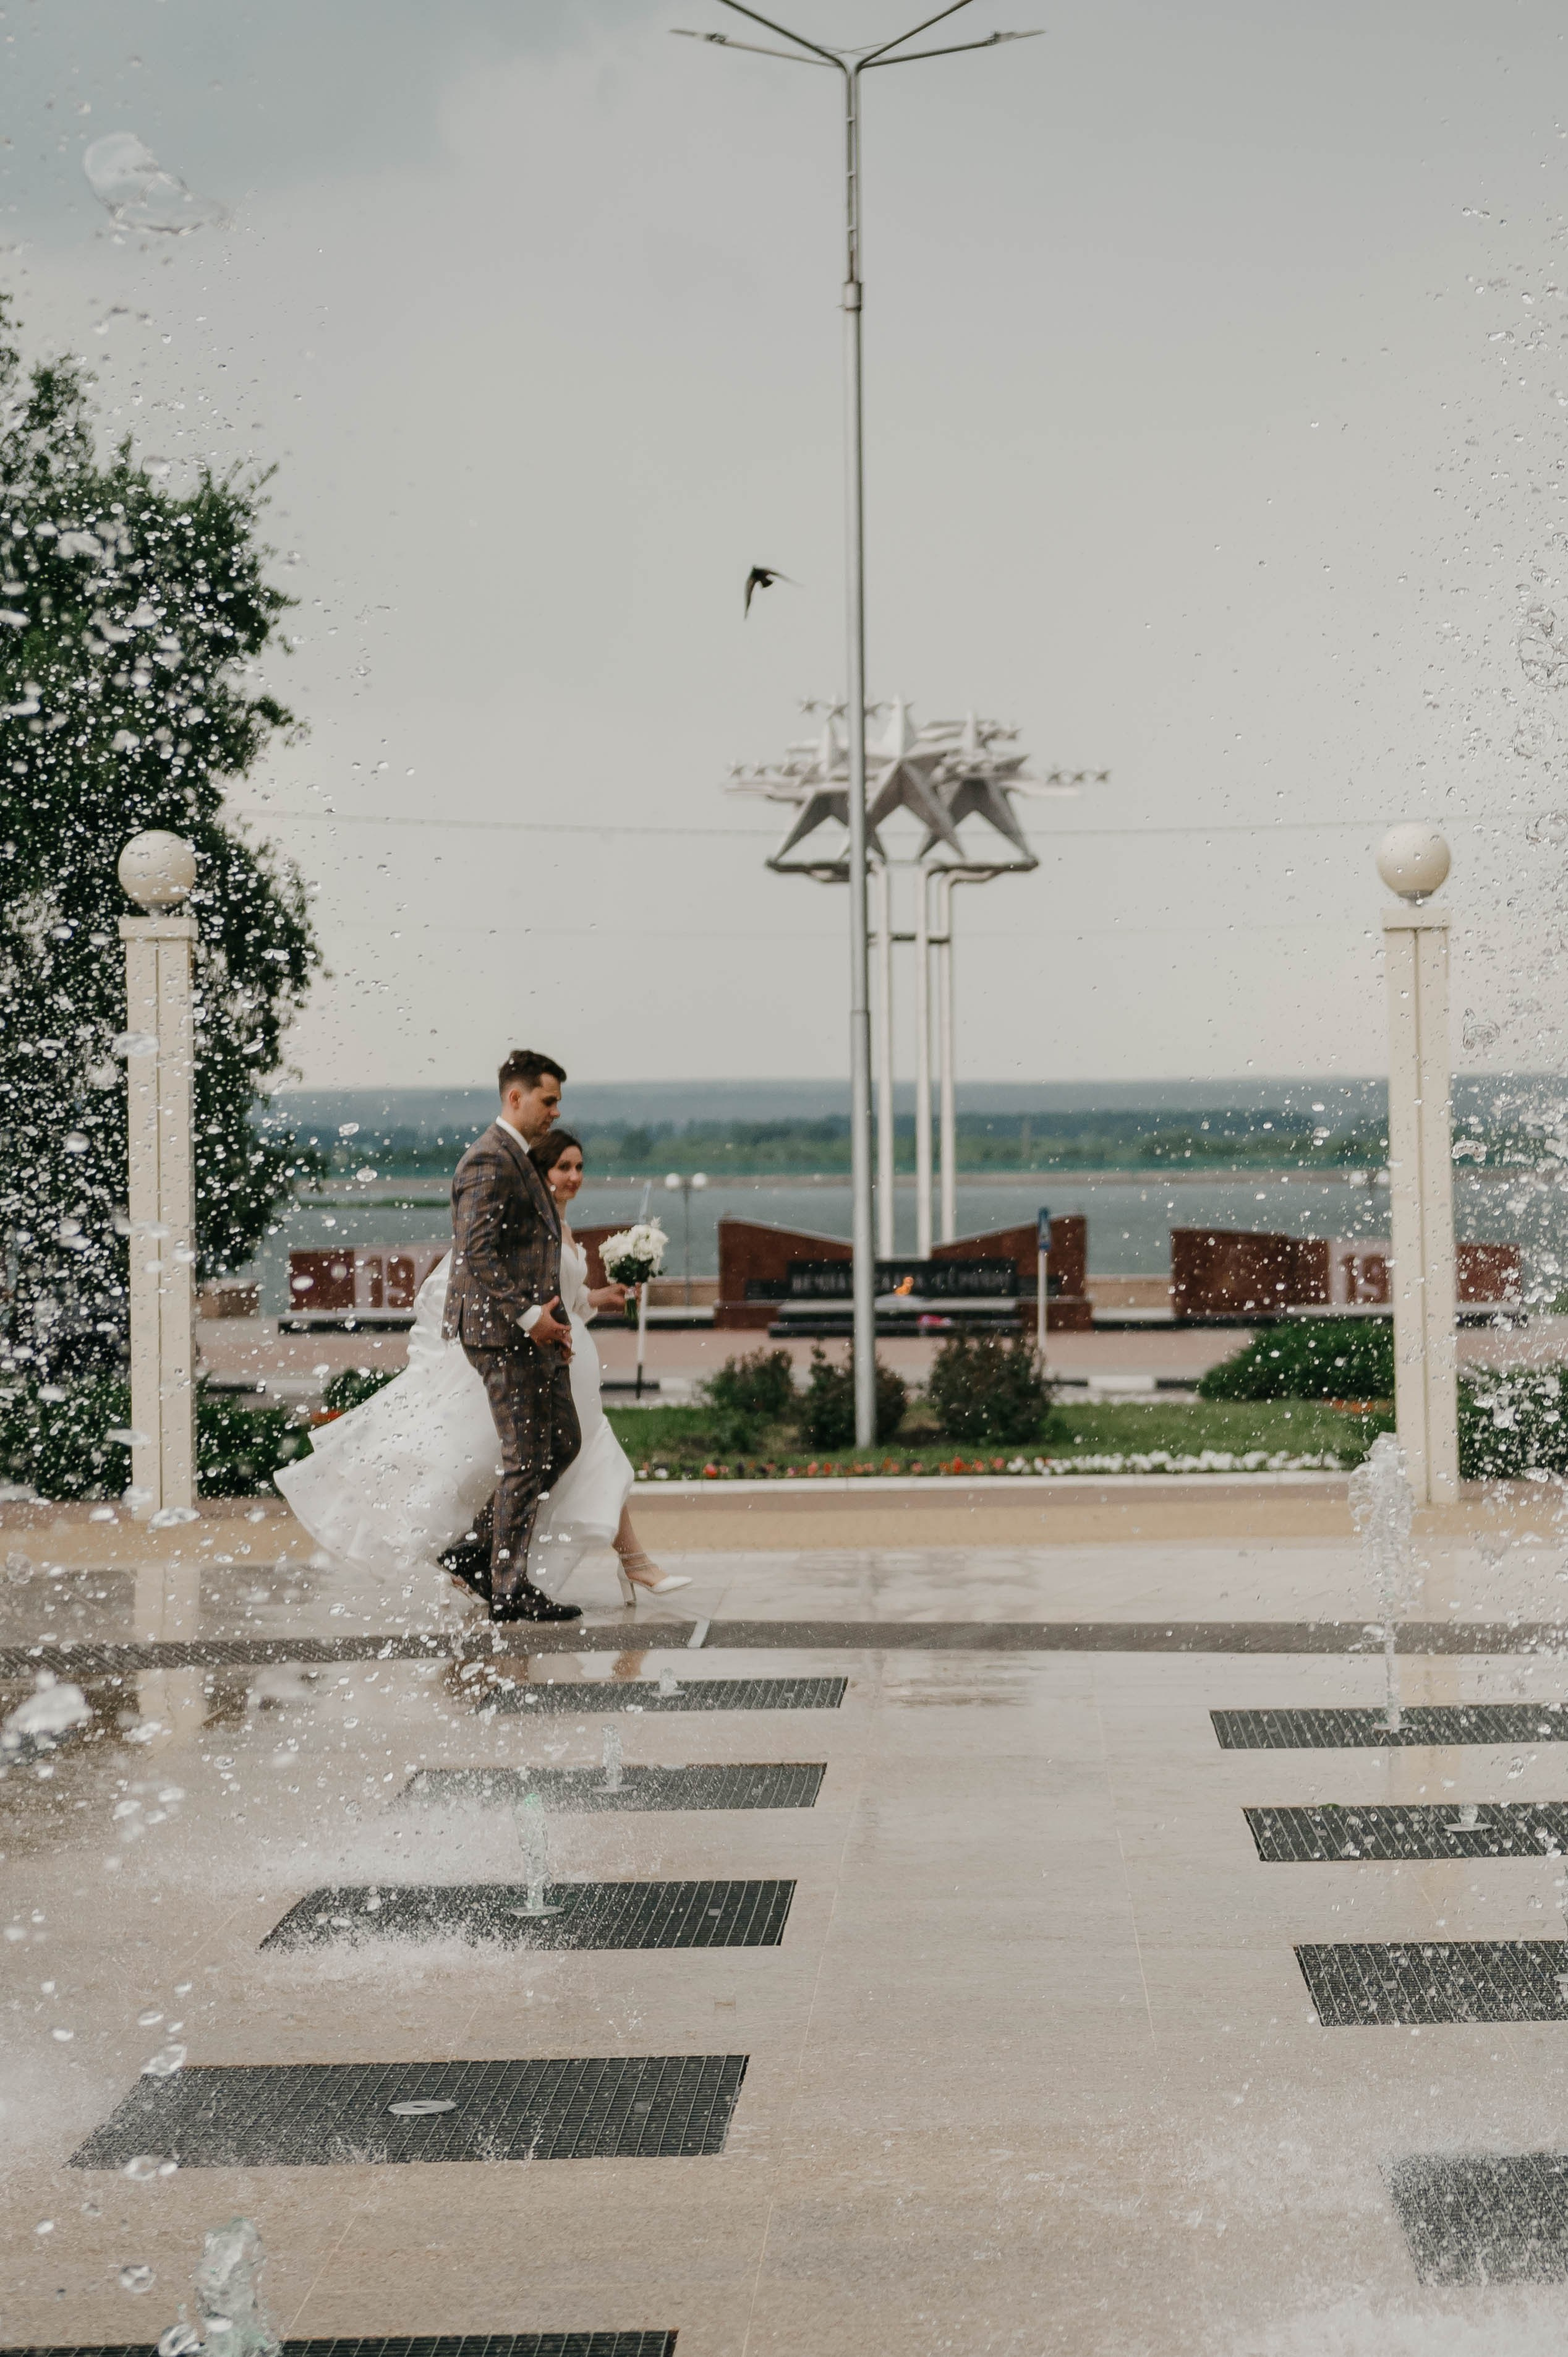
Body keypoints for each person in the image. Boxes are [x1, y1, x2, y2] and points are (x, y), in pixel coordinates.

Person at [275, 1056, 686, 1609]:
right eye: (549, 1100)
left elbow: (531, 1255)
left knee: (562, 1442)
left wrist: (561, 1313)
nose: (557, 1110)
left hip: (540, 1336)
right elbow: (476, 1255)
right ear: (516, 1098)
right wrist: (529, 1316)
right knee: (526, 1455)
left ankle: (476, 1549)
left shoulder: (520, 1159)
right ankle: (508, 1586)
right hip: (501, 1337)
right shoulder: (488, 1161)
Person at [527, 1126, 689, 1602]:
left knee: (591, 1460)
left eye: (579, 1167)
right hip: (553, 1359)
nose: (575, 1176)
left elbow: (570, 1298)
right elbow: (538, 1301)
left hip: (575, 1361)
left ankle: (634, 1563)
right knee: (595, 1457)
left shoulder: (564, 1223)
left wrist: (606, 1296)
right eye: (564, 1167)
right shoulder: (537, 1224)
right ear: (542, 1171)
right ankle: (636, 1563)